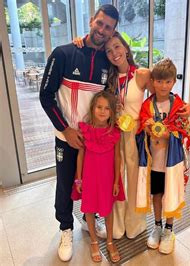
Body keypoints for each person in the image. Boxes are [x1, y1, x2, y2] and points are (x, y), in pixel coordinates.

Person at [72, 33, 190, 239]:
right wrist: (81, 41)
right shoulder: (107, 76)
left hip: (136, 134)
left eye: (117, 47)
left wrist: (185, 106)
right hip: (113, 134)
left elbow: (163, 94)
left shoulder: (142, 74)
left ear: (126, 48)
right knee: (115, 178)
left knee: (136, 180)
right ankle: (117, 225)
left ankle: (135, 224)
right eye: (109, 50)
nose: (114, 53)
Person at [39, 4, 119, 261]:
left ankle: (91, 218)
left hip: (95, 141)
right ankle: (65, 228)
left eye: (108, 27)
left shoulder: (108, 60)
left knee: (94, 183)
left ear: (113, 32)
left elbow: (128, 67)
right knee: (65, 184)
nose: (102, 30)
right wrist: (65, 129)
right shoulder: (63, 53)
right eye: (100, 23)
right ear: (91, 21)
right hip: (67, 137)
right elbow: (45, 95)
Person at [136, 58, 190, 254]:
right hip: (154, 162)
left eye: (167, 81)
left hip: (172, 162)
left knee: (170, 194)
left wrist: (171, 134)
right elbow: (141, 126)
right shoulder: (147, 105)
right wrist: (148, 129)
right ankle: (157, 226)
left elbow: (186, 130)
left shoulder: (179, 104)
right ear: (152, 82)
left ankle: (169, 230)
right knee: (157, 195)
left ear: (174, 82)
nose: (163, 85)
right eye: (158, 81)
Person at [71, 91, 125, 263]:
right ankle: (94, 241)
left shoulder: (115, 132)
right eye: (99, 107)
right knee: (89, 209)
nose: (102, 111)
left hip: (108, 179)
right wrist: (78, 180)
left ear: (112, 112)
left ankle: (109, 241)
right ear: (93, 108)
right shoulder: (85, 130)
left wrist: (116, 181)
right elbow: (80, 156)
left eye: (107, 108)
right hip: (89, 179)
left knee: (108, 210)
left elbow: (118, 158)